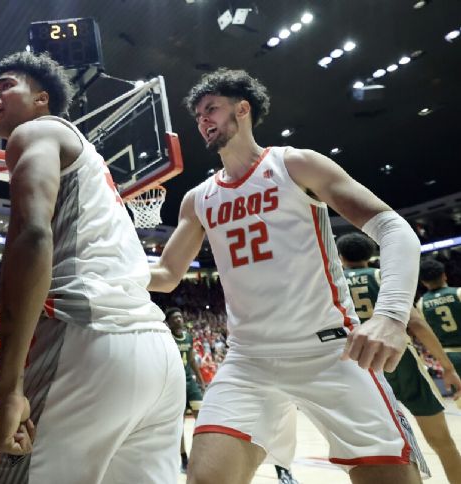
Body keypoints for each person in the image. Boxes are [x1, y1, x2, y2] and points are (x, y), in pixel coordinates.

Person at [149, 68, 426, 483]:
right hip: (248, 361)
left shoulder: (294, 164)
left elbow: (393, 228)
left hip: (332, 351)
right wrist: (101, 267)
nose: (203, 121)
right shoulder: (198, 199)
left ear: (242, 110)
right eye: (198, 116)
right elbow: (168, 274)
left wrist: (390, 314)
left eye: (212, 109)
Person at [0, 51, 184, 484]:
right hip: (158, 354)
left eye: (7, 84)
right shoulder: (90, 165)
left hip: (87, 341)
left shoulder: (36, 131)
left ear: (42, 100)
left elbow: (32, 236)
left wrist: (8, 389)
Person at [337, 233, 461, 482]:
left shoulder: (333, 283)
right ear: (371, 256)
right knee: (442, 442)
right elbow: (416, 324)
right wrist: (447, 368)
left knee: (386, 452)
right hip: (400, 361)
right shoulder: (381, 276)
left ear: (340, 258)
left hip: (360, 366)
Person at [165, 308, 205, 473]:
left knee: (202, 418)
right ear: (169, 322)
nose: (179, 320)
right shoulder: (167, 338)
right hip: (175, 384)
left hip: (190, 383)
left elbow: (192, 360)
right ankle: (183, 458)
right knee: (179, 424)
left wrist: (201, 380)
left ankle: (202, 455)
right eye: (175, 318)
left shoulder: (188, 337)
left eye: (181, 317)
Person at [418, 259, 461, 376]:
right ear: (444, 275)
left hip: (448, 357)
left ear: (423, 282)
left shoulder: (421, 304)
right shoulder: (458, 293)